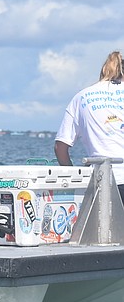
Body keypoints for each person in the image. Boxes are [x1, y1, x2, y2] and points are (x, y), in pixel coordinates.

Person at [55, 50, 124, 199]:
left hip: (102, 182)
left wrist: (71, 175)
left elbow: (60, 147)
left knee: (106, 222)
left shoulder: (81, 97)